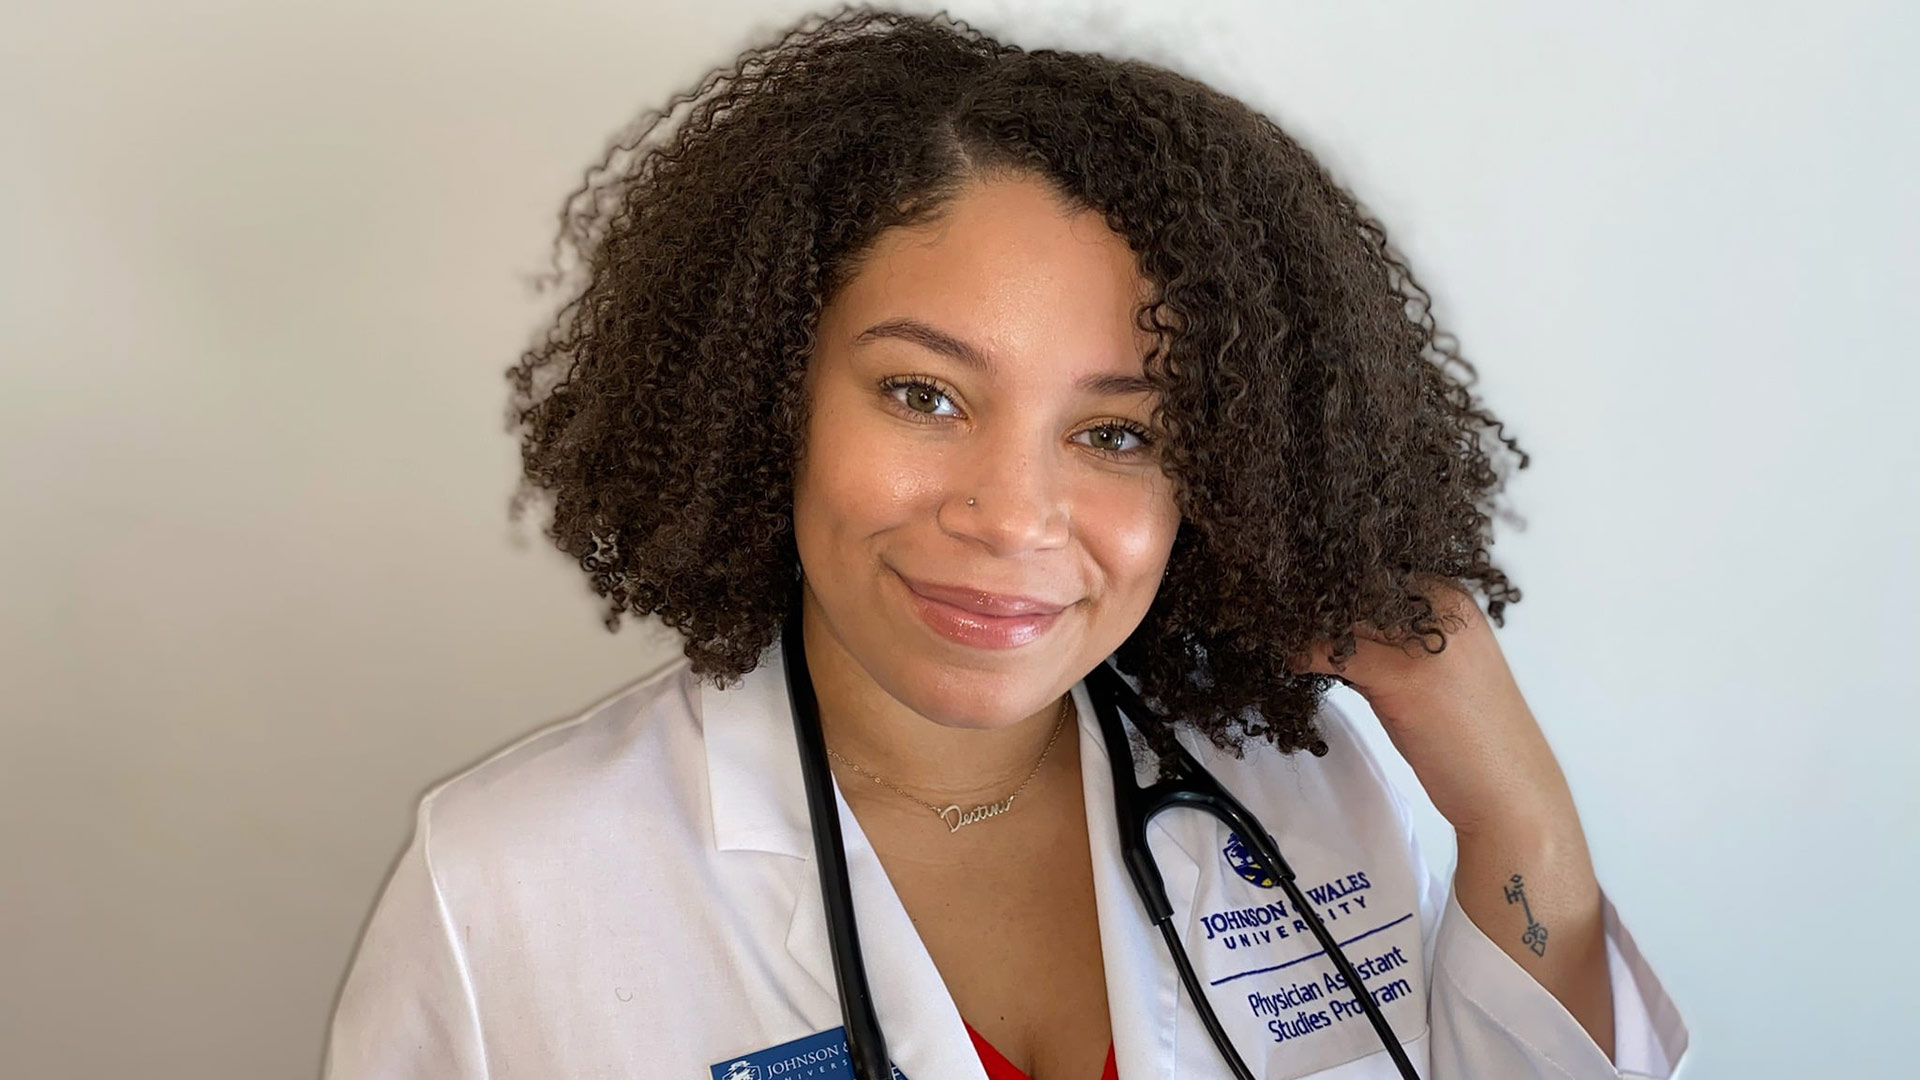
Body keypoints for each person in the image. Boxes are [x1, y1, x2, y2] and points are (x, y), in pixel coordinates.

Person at [323, 8, 1690, 1078]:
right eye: (925, 395)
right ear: (770, 395)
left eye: (1118, 434)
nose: (1013, 515)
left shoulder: (1305, 786)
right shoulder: (508, 882)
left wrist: (1513, 803)